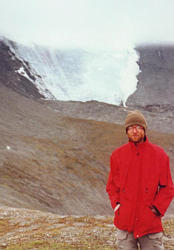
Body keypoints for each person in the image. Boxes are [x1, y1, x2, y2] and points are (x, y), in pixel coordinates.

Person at [106, 110, 174, 250]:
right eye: (130, 128)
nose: (134, 131)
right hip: (125, 223)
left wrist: (156, 209)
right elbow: (112, 186)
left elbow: (168, 187)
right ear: (126, 131)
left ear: (144, 129)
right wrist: (117, 206)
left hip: (150, 225)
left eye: (138, 127)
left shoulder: (159, 155)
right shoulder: (117, 155)